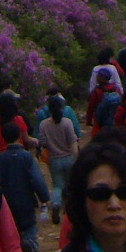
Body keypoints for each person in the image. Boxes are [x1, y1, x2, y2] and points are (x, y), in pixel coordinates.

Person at [0, 124, 52, 252]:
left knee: (13, 229)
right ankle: (30, 245)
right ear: (19, 136)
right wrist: (44, 198)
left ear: (3, 138)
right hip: (26, 201)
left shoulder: (1, 159)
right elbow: (36, 179)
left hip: (7, 203)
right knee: (29, 227)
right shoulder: (27, 157)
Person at [37, 95, 82, 223]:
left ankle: (56, 204)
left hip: (54, 159)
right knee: (71, 184)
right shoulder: (67, 122)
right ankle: (70, 209)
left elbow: (42, 142)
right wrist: (77, 157)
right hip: (69, 157)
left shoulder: (44, 124)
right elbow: (73, 142)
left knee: (57, 185)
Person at [0, 93, 30, 159]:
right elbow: (27, 139)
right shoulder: (19, 119)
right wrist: (36, 141)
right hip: (19, 154)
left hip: (3, 155)